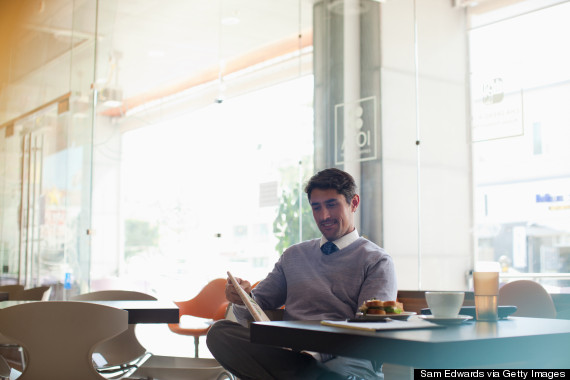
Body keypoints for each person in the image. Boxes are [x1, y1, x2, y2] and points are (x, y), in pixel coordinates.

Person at [206, 168, 397, 380]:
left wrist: (314, 353)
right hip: (289, 356)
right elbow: (257, 306)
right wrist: (241, 299)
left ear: (354, 203)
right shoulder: (294, 256)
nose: (324, 216)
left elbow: (366, 332)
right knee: (220, 333)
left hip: (345, 362)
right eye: (316, 207)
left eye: (332, 205)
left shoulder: (376, 261)